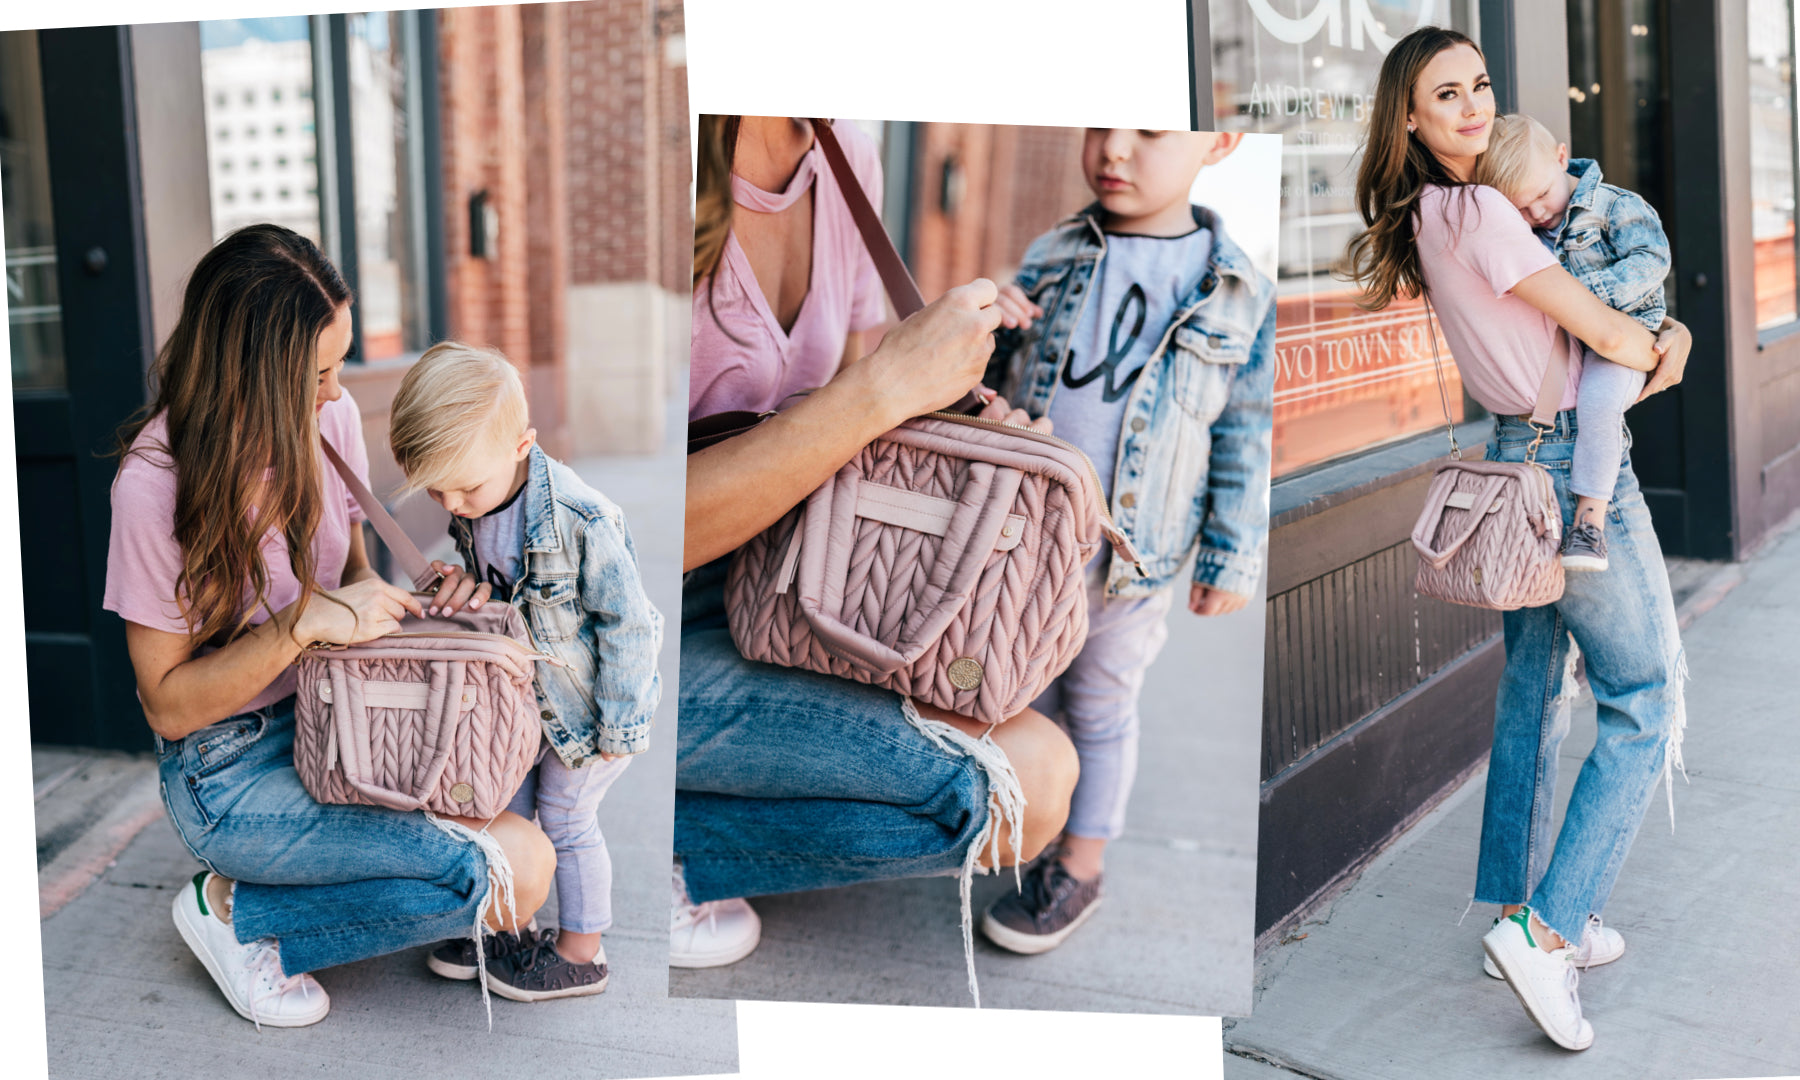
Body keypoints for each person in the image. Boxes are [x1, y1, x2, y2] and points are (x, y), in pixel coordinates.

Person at [106, 224, 555, 1028]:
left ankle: (300, 891)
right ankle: (236, 917)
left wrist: (415, 607)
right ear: (252, 368)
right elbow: (167, 706)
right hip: (227, 768)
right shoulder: (154, 483)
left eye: (339, 363)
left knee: (522, 853)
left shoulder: (329, 424)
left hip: (340, 720)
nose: (335, 391)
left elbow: (352, 579)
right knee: (504, 871)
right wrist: (297, 627)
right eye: (317, 373)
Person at [674, 116, 1080, 997]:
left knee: (1035, 775)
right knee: (1015, 780)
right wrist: (887, 384)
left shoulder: (842, 148)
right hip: (649, 632)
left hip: (789, 584)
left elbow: (847, 429)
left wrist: (963, 433)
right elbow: (625, 546)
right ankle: (648, 851)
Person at [1344, 28, 1692, 1051]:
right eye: (1444, 95)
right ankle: (1550, 931)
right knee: (1645, 695)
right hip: (1561, 471)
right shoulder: (1489, 209)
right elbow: (1614, 336)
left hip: (1511, 458)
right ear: (1408, 118)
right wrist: (1667, 340)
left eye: (1480, 86)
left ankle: (1514, 913)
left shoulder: (1431, 211)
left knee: (1535, 688)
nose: (1471, 107)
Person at [975, 129, 1276, 953]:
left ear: (1218, 141)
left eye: (1148, 130)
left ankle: (1081, 864)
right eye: (1100, 124)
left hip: (1129, 566)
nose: (1114, 148)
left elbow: (1245, 431)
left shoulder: (1238, 289)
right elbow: (987, 387)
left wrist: (1230, 555)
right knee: (1020, 699)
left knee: (1101, 708)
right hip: (1022, 551)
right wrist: (987, 321)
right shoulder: (1053, 251)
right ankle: (1024, 834)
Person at [386, 341, 663, 1002]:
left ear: (520, 445)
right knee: (505, 812)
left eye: (465, 486)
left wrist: (619, 725)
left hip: (583, 711)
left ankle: (581, 955)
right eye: (438, 488)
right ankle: (510, 927)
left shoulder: (580, 517)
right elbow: (502, 590)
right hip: (521, 708)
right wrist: (467, 586)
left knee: (566, 825)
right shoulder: (477, 500)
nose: (455, 503)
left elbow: (630, 623)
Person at [1478, 113, 1672, 572]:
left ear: (1562, 157)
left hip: (1624, 333)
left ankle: (1590, 524)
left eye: (1542, 195)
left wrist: (1587, 302)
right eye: (1521, 210)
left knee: (1599, 404)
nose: (1538, 214)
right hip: (1570, 344)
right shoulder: (1525, 229)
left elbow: (1652, 259)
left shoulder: (1615, 205)